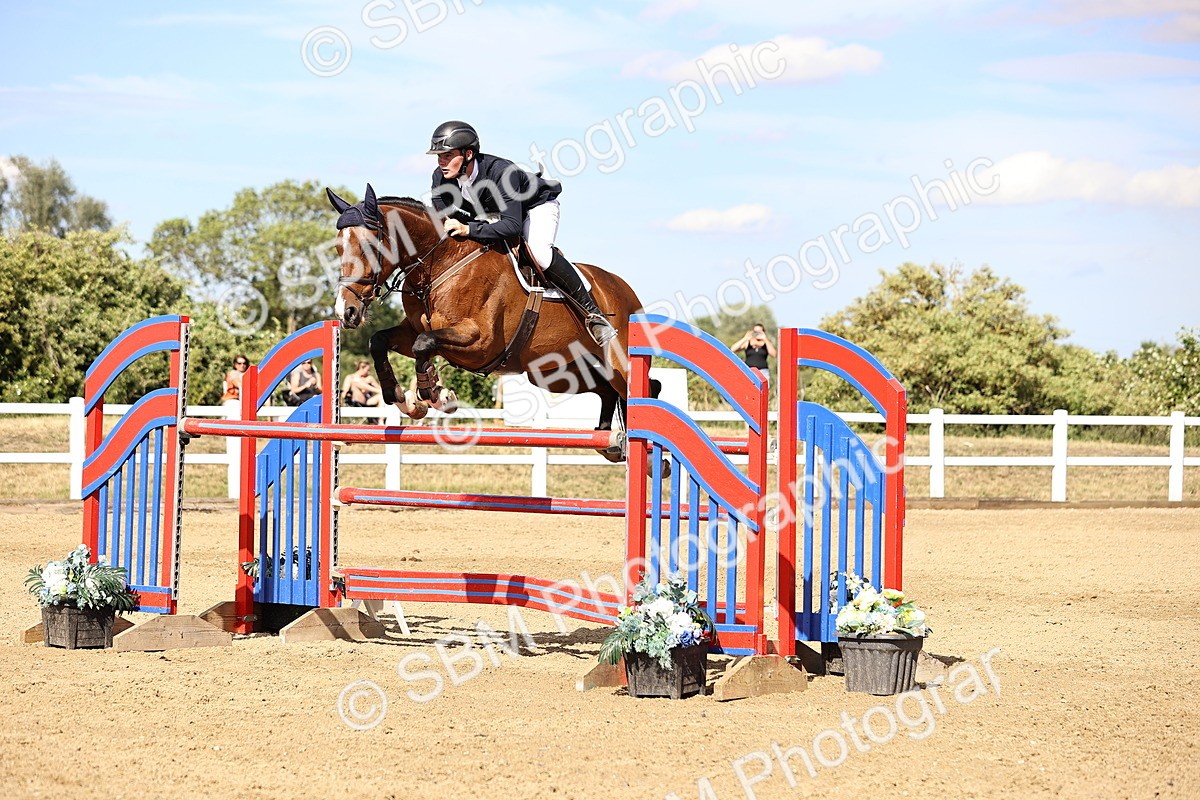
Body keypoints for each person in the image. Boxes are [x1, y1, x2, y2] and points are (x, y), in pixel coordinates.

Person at [425, 120, 615, 346]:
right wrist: (460, 225)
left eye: (447, 156)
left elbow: (512, 226)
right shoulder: (441, 177)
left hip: (535, 207)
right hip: (494, 213)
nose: (441, 162)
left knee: (540, 253)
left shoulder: (502, 173)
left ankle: (594, 315)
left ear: (468, 154)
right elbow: (441, 209)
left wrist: (469, 228)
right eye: (439, 156)